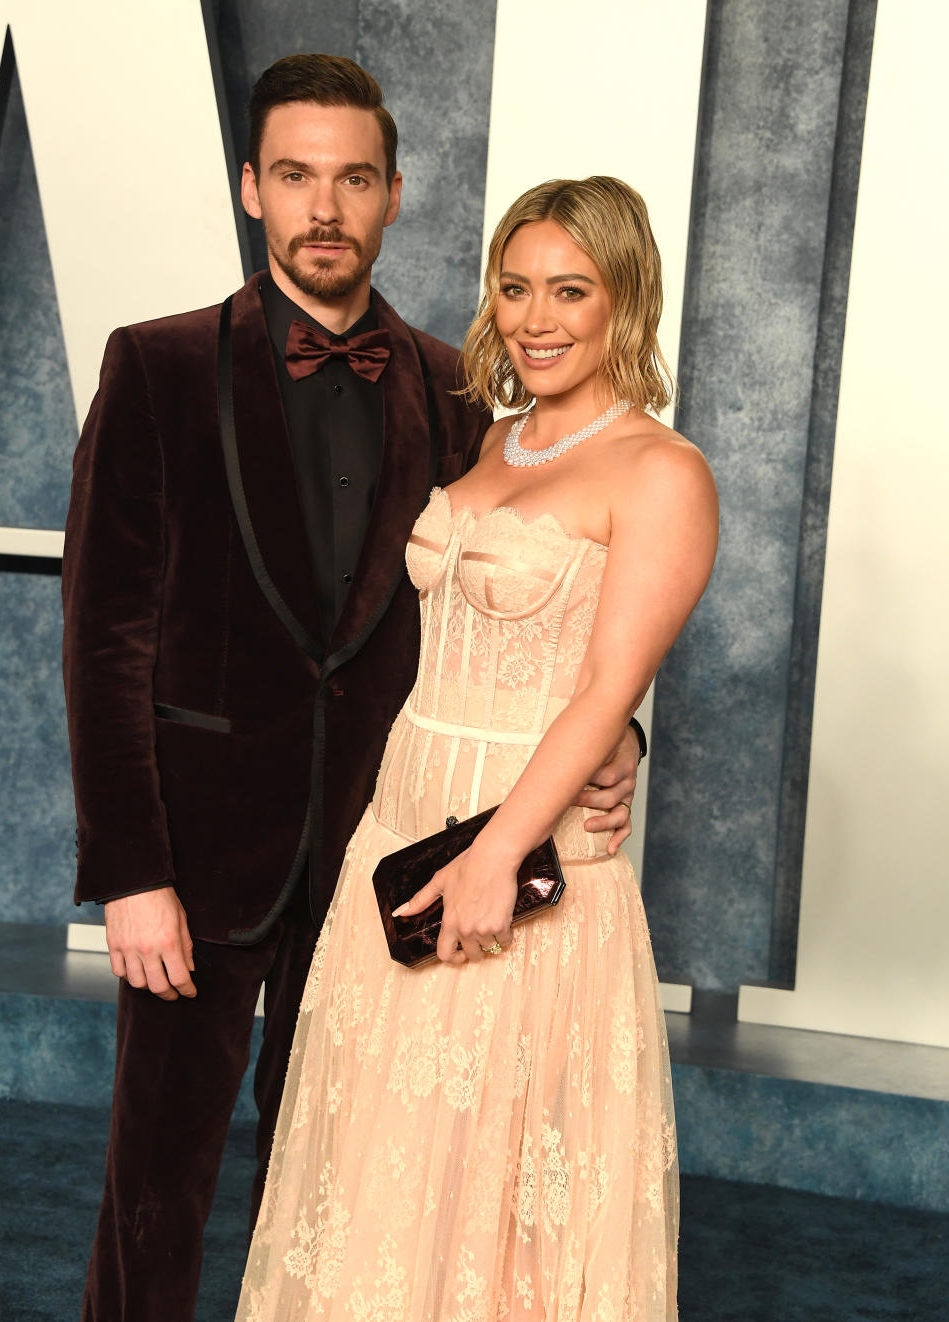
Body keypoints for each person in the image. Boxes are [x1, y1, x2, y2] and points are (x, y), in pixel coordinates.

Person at [62, 57, 644, 1321]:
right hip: (197, 857)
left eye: (354, 178)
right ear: (250, 190)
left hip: (388, 852)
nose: (325, 206)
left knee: (339, 1180)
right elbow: (103, 639)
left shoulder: (458, 393)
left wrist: (623, 734)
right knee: (154, 1188)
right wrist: (131, 870)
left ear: (393, 196)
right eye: (295, 176)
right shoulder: (155, 367)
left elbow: (523, 604)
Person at [235, 176, 718, 1321]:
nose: (537, 317)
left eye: (570, 290)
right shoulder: (481, 435)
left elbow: (610, 682)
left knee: (499, 1199)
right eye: (515, 288)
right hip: (395, 837)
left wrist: (503, 850)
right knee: (377, 1168)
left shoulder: (663, 472)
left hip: (520, 864)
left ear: (626, 301)